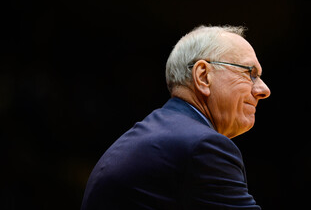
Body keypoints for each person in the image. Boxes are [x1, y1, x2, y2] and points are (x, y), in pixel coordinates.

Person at [81, 25, 271, 210]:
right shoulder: (202, 146)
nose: (264, 90)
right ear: (203, 76)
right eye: (250, 74)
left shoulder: (161, 134)